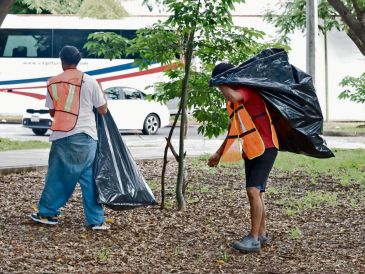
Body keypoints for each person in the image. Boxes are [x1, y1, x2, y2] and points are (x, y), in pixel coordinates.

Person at [31, 45, 109, 230]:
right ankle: (96, 220)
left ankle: (48, 213)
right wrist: (102, 91)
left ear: (62, 61)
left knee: (57, 176)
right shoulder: (90, 81)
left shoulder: (52, 82)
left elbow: (52, 112)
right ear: (78, 60)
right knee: (89, 179)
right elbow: (103, 110)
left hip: (61, 135)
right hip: (86, 136)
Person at [208, 62, 279, 252]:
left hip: (267, 147)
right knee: (258, 193)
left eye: (221, 83)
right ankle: (262, 234)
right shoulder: (232, 103)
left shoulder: (247, 90)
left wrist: (218, 81)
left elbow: (233, 93)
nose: (220, 89)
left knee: (253, 191)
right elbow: (234, 130)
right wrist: (219, 153)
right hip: (252, 149)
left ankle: (253, 239)